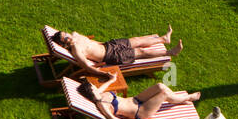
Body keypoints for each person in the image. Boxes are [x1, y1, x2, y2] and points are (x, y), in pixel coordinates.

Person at [78, 77, 201, 119]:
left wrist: (111, 79)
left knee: (160, 86)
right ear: (91, 90)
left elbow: (102, 87)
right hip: (141, 111)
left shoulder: (98, 94)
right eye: (93, 86)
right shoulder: (102, 105)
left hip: (136, 99)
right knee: (163, 93)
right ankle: (187, 98)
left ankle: (179, 99)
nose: (95, 85)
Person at [51, 28, 182, 75]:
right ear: (64, 44)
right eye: (65, 39)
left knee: (136, 40)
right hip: (111, 56)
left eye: (65, 34)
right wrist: (103, 74)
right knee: (140, 51)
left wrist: (104, 43)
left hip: (109, 45)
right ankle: (171, 52)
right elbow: (86, 66)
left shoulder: (75, 35)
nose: (68, 37)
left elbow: (93, 43)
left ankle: (164, 39)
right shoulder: (76, 50)